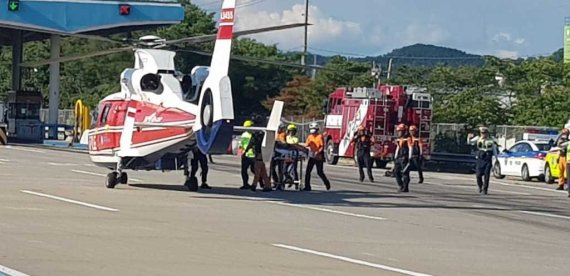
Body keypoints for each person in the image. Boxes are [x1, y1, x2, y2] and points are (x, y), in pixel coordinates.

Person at [467, 126, 499, 195]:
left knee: (487, 175)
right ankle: (480, 186)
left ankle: (485, 190)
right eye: (482, 133)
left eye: (485, 133)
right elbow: (470, 143)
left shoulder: (491, 140)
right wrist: (469, 138)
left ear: (487, 133)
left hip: (488, 157)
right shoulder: (478, 138)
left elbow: (494, 149)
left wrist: (496, 159)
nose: (483, 134)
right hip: (480, 157)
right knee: (478, 174)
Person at [303, 122, 331, 191]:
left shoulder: (320, 136)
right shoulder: (310, 137)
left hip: (319, 156)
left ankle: (327, 183)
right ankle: (307, 186)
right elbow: (307, 144)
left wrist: (317, 152)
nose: (313, 133)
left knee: (319, 172)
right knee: (308, 171)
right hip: (312, 155)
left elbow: (322, 146)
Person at [394, 123, 412, 192]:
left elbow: (410, 148)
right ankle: (400, 185)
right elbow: (398, 148)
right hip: (399, 158)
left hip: (405, 158)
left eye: (400, 131)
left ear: (404, 131)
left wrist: (409, 158)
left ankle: (405, 187)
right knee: (396, 172)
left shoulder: (408, 139)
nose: (399, 133)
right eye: (398, 131)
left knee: (405, 173)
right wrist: (395, 156)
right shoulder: (399, 139)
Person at [239, 120, 256, 190]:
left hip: (251, 155)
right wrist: (241, 153)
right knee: (245, 170)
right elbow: (241, 144)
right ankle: (245, 184)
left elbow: (242, 145)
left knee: (252, 170)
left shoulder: (251, 135)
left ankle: (259, 181)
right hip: (246, 155)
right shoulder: (246, 134)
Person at [270, 123, 287, 188]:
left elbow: (285, 143)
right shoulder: (275, 134)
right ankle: (275, 181)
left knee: (281, 169)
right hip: (274, 152)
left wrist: (279, 141)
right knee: (272, 168)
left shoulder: (283, 134)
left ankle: (280, 183)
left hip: (281, 152)